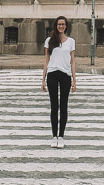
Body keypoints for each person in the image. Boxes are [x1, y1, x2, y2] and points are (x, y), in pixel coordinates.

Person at [41, 15, 77, 148]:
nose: (61, 26)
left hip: (65, 75)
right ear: (56, 26)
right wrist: (43, 80)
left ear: (66, 26)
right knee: (54, 106)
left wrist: (74, 80)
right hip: (52, 74)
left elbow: (72, 61)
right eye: (59, 24)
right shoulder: (49, 41)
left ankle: (61, 136)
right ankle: (54, 136)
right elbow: (46, 60)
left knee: (64, 106)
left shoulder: (71, 41)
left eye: (63, 24)